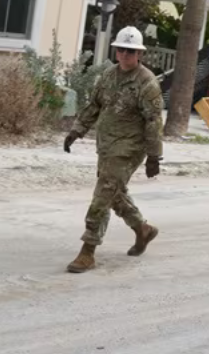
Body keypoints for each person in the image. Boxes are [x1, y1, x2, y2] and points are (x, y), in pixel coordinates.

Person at [62, 25, 164, 273]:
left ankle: (88, 250)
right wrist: (77, 130)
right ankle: (142, 229)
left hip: (130, 147)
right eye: (121, 50)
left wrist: (153, 156)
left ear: (139, 54)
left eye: (130, 51)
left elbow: (154, 121)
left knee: (103, 194)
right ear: (116, 51)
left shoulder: (147, 83)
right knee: (114, 193)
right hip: (106, 145)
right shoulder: (108, 76)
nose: (125, 55)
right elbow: (94, 106)